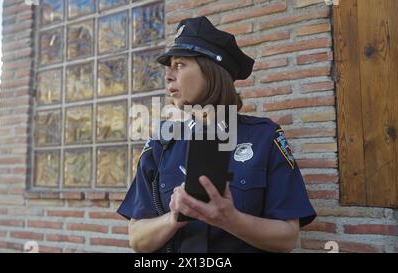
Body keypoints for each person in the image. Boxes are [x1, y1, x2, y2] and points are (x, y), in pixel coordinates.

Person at [117, 16, 316, 253]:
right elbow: (137, 239)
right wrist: (175, 218)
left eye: (180, 65)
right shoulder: (161, 142)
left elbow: (286, 239)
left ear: (213, 72)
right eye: (169, 67)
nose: (168, 75)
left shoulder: (265, 137)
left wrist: (229, 219)